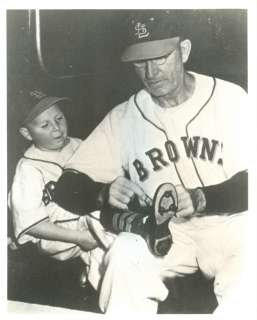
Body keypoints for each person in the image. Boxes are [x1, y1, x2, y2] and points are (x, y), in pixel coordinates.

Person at [53, 11, 248, 314]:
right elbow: (66, 187)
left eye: (160, 57)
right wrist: (101, 193)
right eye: (140, 61)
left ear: (183, 51)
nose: (150, 71)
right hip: (167, 234)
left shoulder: (230, 98)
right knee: (123, 254)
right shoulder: (124, 117)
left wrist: (201, 198)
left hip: (234, 225)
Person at [8, 89, 113, 274]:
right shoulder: (29, 169)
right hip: (57, 237)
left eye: (59, 118)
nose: (57, 128)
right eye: (45, 125)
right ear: (27, 133)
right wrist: (79, 238)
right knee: (103, 227)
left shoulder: (80, 145)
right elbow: (32, 224)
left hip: (89, 224)